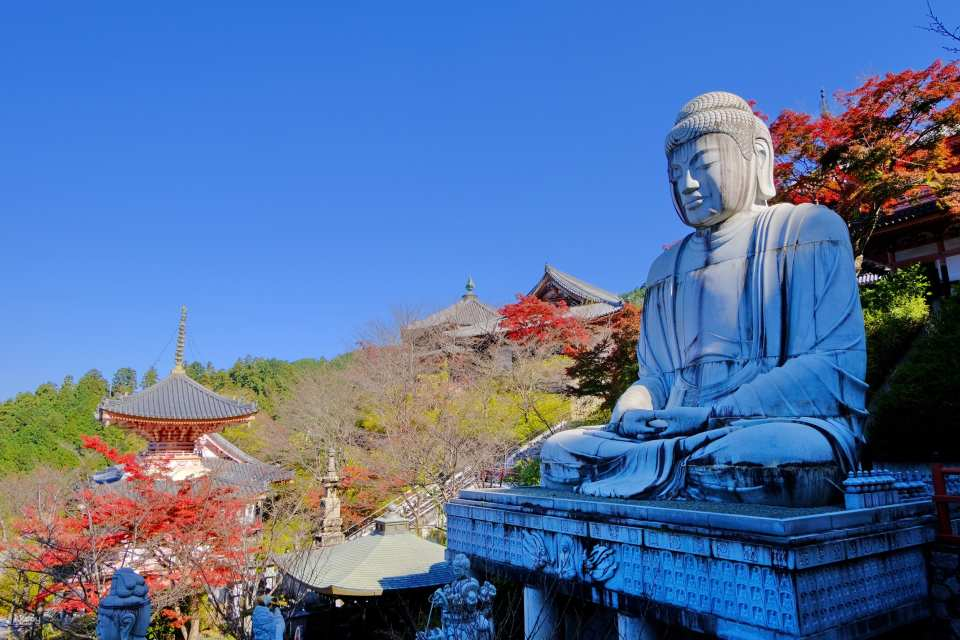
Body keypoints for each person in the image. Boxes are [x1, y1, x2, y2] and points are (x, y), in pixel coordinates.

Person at [540, 92, 867, 506]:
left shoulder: (806, 230)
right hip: (675, 431)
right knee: (559, 451)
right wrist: (631, 411)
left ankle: (678, 472)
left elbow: (833, 366)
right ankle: (681, 472)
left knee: (772, 455)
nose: (687, 184)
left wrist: (714, 415)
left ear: (758, 156)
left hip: (764, 425)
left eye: (704, 166)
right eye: (676, 173)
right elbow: (657, 377)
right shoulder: (666, 268)